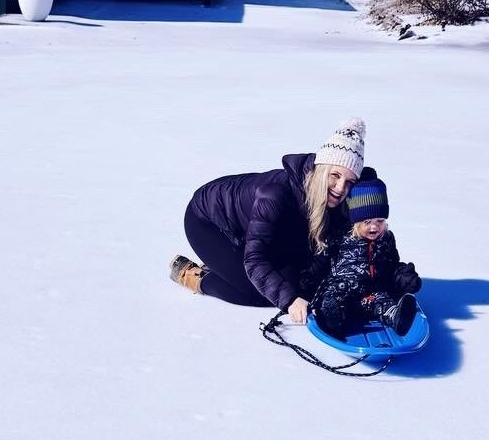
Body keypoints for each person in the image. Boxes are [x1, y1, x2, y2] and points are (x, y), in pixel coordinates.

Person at [170, 118, 374, 323]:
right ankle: (195, 276)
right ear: (321, 170)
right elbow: (255, 260)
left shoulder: (334, 196)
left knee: (297, 280)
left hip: (252, 225)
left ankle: (227, 265)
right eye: (335, 175)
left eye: (349, 181)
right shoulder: (274, 196)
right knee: (257, 292)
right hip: (209, 223)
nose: (340, 188)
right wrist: (291, 300)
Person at [307, 175, 422, 338]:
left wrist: (403, 277)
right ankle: (331, 318)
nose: (375, 226)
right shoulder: (340, 238)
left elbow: (391, 266)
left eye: (380, 220)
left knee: (382, 300)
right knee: (333, 297)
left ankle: (397, 316)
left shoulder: (387, 239)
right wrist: (306, 285)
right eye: (367, 221)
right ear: (355, 221)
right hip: (342, 289)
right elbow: (321, 263)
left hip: (370, 294)